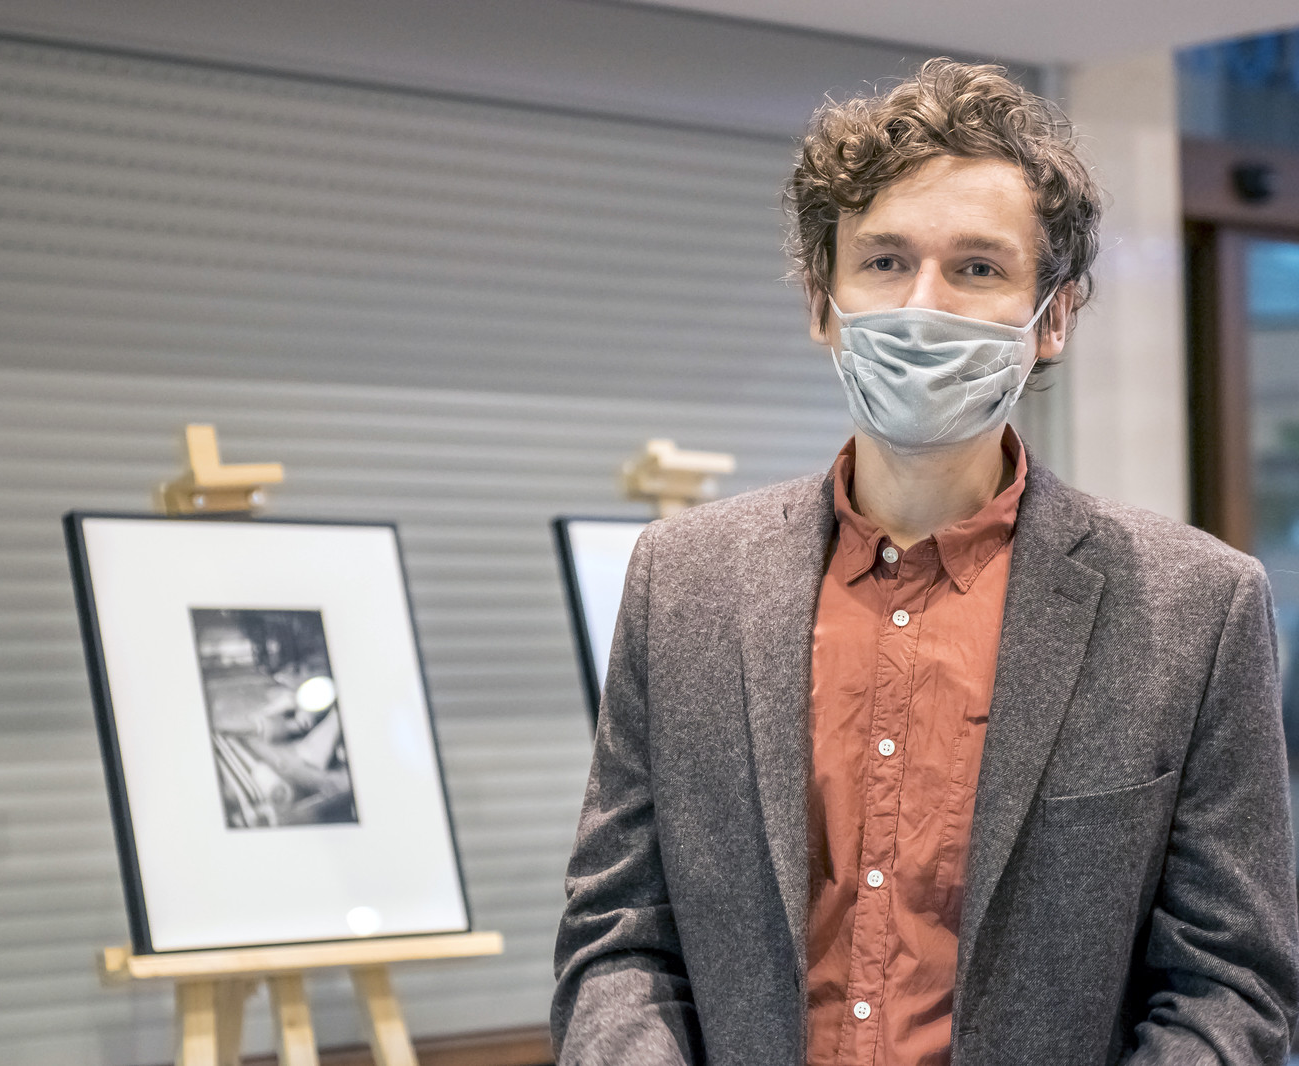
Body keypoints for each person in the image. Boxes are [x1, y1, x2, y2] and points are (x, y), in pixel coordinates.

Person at [551, 59, 1299, 1066]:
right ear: (823, 302)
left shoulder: (1194, 609)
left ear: (1054, 315)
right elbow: (618, 938)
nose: (922, 306)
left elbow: (1233, 985)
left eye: (978, 268)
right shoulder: (683, 582)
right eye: (884, 261)